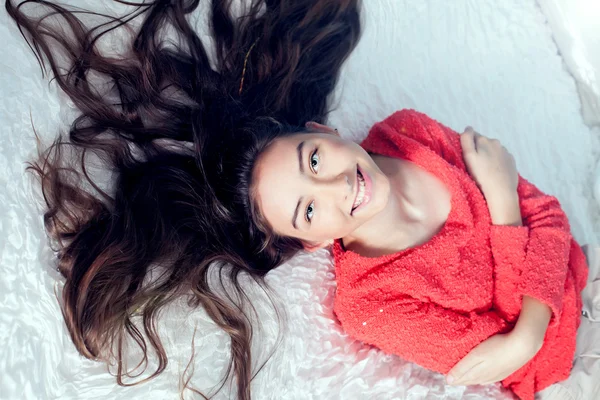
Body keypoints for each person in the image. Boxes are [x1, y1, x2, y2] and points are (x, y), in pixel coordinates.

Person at [6, 1, 596, 399]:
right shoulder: (372, 301)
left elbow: (552, 217)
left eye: (313, 161)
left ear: (323, 131)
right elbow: (508, 351)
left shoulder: (405, 133)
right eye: (308, 211)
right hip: (573, 365)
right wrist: (503, 203)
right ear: (311, 243)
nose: (337, 186)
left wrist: (524, 302)